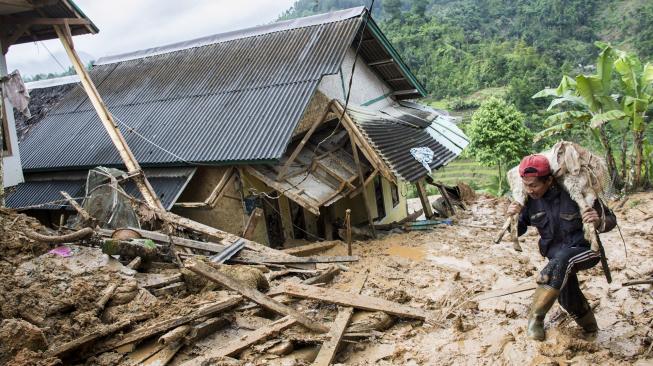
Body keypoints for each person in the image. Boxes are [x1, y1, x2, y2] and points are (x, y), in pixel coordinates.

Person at [507, 154, 616, 341]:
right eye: (526, 185)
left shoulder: (577, 193)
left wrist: (597, 222)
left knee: (563, 259)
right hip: (557, 261)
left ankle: (536, 318)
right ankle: (592, 330)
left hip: (586, 251)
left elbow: (611, 220)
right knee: (568, 298)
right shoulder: (529, 201)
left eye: (534, 185)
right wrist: (512, 217)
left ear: (549, 180)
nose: (530, 190)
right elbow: (519, 229)